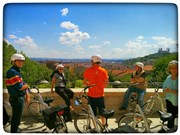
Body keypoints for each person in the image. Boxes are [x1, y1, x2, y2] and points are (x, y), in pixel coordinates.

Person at [5, 53, 30, 133]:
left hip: (19, 98)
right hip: (17, 98)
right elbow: (21, 87)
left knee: (18, 117)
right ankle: (14, 131)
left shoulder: (17, 71)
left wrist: (27, 94)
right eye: (18, 61)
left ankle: (16, 129)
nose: (21, 62)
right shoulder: (12, 72)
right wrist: (27, 86)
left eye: (22, 61)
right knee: (16, 118)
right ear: (13, 61)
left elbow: (23, 84)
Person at [83, 54, 109, 126]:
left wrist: (90, 85)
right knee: (102, 112)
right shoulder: (103, 71)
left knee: (93, 113)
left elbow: (84, 82)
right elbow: (106, 83)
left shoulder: (88, 70)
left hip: (91, 95)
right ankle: (103, 126)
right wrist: (100, 87)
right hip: (100, 95)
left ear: (92, 61)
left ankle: (96, 127)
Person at [163, 60, 178, 130]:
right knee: (170, 116)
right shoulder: (168, 78)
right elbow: (164, 88)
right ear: (169, 69)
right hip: (169, 100)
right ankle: (170, 128)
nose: (174, 70)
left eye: (175, 68)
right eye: (172, 68)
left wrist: (171, 91)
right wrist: (165, 90)